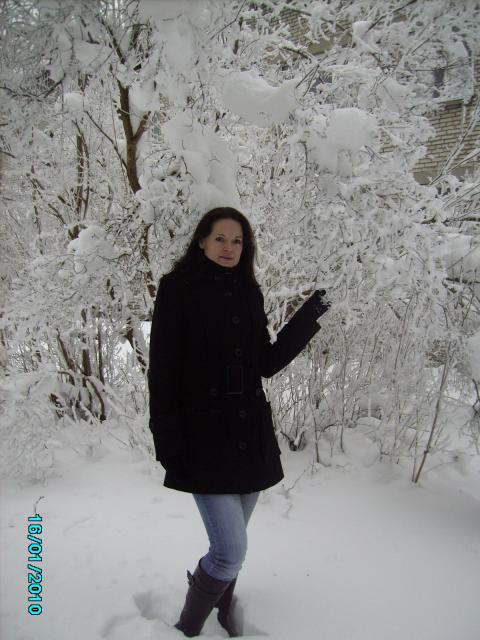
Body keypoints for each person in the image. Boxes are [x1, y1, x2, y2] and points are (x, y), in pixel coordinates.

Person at [148, 207, 329, 638]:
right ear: (202, 241)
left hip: (248, 435)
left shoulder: (249, 291)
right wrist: (168, 441)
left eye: (237, 241)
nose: (229, 248)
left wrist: (313, 311)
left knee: (231, 548)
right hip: (201, 440)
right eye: (220, 238)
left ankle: (222, 608)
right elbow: (162, 371)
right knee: (230, 551)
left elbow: (265, 362)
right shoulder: (177, 289)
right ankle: (187, 628)